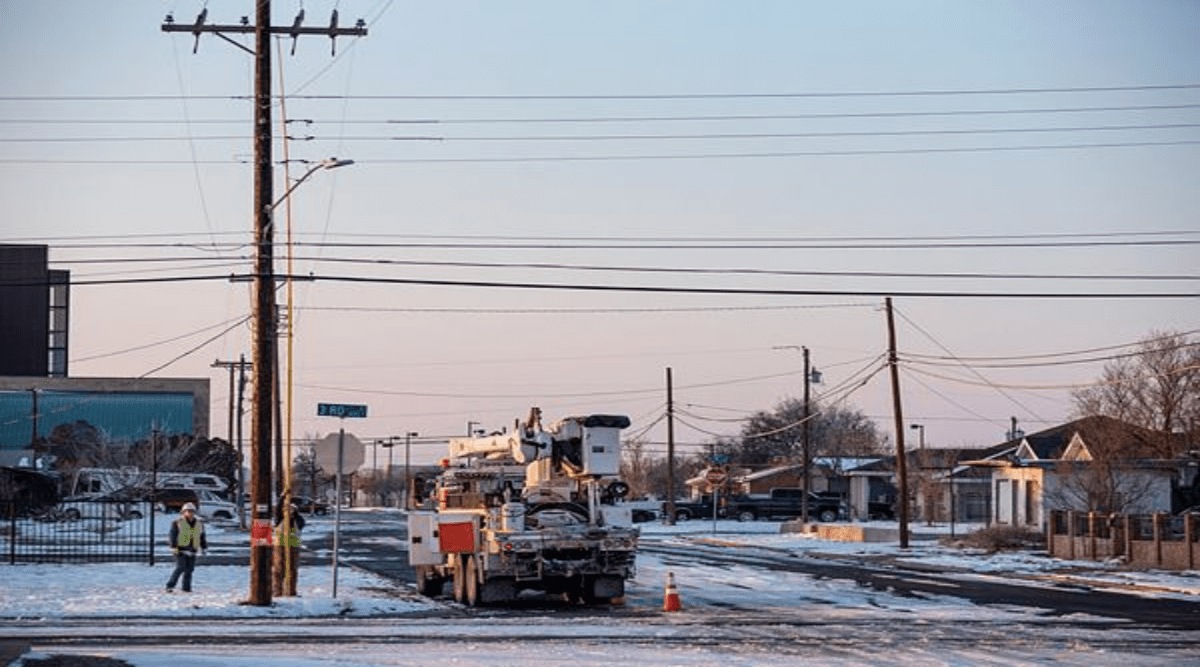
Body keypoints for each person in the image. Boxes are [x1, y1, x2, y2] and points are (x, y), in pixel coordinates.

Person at [165, 501, 208, 593]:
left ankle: (186, 587)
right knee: (180, 567)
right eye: (187, 511)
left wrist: (204, 547)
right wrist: (173, 547)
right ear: (183, 512)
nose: (190, 513)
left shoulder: (199, 523)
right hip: (180, 549)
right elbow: (172, 535)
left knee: (190, 569)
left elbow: (202, 536)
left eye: (192, 511)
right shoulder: (177, 523)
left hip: (193, 549)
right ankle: (170, 585)